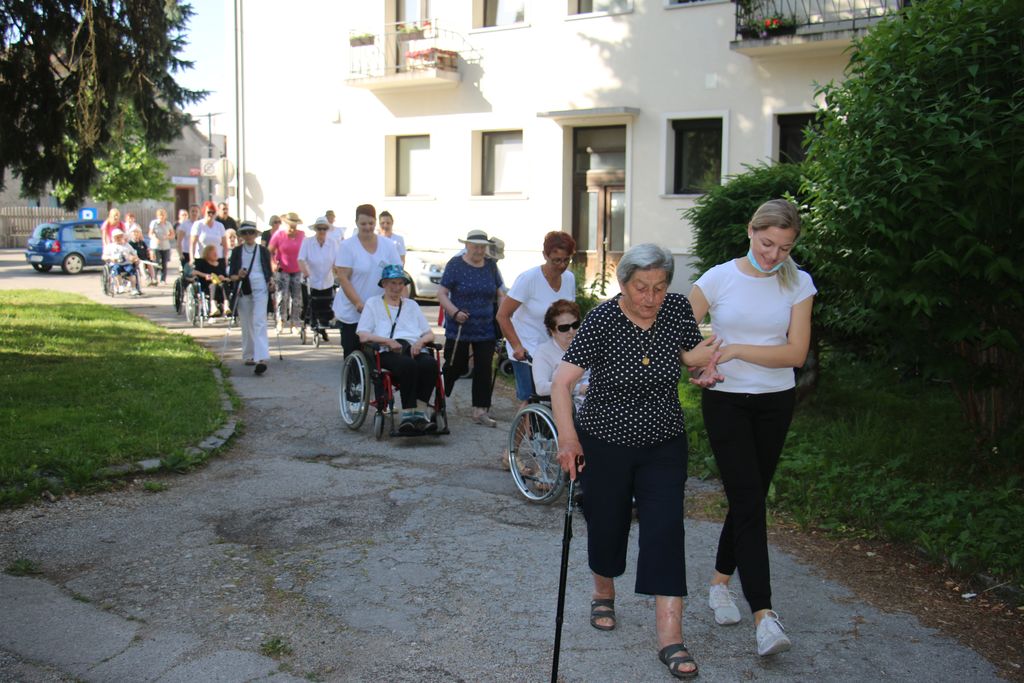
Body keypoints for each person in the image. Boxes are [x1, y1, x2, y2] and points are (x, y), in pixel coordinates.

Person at [551, 243, 722, 681]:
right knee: (607, 522)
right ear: (623, 283)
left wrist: (704, 372)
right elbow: (562, 381)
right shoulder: (602, 320)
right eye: (642, 287)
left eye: (659, 287)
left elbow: (691, 359)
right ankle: (603, 591)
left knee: (666, 530)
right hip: (605, 441)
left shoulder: (677, 310)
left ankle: (670, 637)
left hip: (663, 442)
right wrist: (568, 438)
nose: (651, 297)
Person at [688, 198, 815, 658]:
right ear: (750, 231)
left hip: (775, 402)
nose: (773, 255)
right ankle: (764, 615)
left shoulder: (798, 283)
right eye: (767, 244)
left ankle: (719, 583)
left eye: (784, 248)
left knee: (750, 497)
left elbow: (795, 354)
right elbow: (678, 333)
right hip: (726, 401)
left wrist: (737, 349)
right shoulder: (718, 278)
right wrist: (697, 362)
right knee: (748, 498)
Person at [497, 231, 577, 409]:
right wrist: (517, 346)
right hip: (527, 347)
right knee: (531, 399)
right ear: (545, 255)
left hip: (554, 348)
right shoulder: (529, 279)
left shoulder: (569, 279)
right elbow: (502, 315)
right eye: (556, 260)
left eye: (567, 260)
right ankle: (523, 427)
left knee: (557, 394)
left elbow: (570, 314)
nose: (562, 265)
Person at [357, 264, 438, 434]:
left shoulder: (412, 305)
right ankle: (408, 415)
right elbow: (363, 335)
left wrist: (420, 342)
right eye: (393, 283)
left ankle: (420, 413)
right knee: (408, 365)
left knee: (430, 364)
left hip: (413, 348)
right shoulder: (373, 304)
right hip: (387, 350)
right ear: (384, 284)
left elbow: (430, 334)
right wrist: (387, 341)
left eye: (401, 283)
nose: (397, 287)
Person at [437, 229, 504, 427]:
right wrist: (454, 312)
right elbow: (441, 293)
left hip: (485, 327)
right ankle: (439, 397)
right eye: (475, 246)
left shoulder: (491, 266)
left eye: (482, 247)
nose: (479, 250)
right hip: (460, 326)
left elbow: (500, 293)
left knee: (484, 368)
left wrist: (502, 315)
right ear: (466, 245)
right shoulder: (455, 264)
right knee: (455, 366)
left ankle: (480, 410)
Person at [332, 204, 400, 357]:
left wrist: (402, 303)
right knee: (353, 352)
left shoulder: (388, 245)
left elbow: (397, 276)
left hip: (379, 309)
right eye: (363, 224)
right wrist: (358, 303)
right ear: (356, 223)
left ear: (375, 222)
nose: (367, 227)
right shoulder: (347, 246)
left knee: (380, 356)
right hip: (353, 311)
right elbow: (343, 278)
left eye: (371, 223)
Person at [228, 221, 274, 375]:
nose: (248, 235)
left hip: (261, 287)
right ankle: (249, 354)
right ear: (241, 235)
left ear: (255, 234)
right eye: (245, 232)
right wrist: (238, 274)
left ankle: (261, 357)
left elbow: (269, 271)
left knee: (259, 321)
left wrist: (271, 282)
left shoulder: (263, 250)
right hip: (244, 288)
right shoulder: (237, 251)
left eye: (251, 232)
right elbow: (231, 275)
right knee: (247, 322)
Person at [531, 299, 588, 404]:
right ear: (552, 331)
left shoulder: (585, 345)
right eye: (564, 328)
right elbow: (541, 388)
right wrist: (579, 388)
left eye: (575, 325)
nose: (571, 331)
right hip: (562, 402)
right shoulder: (543, 352)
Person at [298, 216, 339, 342]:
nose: (321, 231)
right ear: (315, 229)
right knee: (310, 304)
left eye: (324, 229)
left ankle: (323, 325)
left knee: (325, 304)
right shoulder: (307, 242)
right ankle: (311, 323)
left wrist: (338, 273)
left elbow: (337, 260)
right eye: (319, 229)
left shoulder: (332, 243)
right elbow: (301, 259)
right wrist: (305, 272)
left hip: (326, 279)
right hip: (310, 280)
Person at [269, 211, 305, 334]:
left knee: (296, 298)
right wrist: (273, 263)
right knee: (282, 296)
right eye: (290, 226)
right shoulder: (279, 235)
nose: (292, 229)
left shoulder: (301, 235)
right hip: (282, 269)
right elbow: (269, 251)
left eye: (294, 226)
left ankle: (294, 323)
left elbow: (305, 251)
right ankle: (280, 321)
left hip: (297, 269)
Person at [102, 228, 141, 296]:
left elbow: (135, 255)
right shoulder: (110, 246)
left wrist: (134, 258)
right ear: (113, 238)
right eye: (117, 237)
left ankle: (133, 288)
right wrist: (111, 258)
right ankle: (120, 287)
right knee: (116, 269)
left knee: (131, 270)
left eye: (120, 236)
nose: (119, 238)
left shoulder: (127, 245)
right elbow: (104, 257)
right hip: (115, 263)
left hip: (127, 263)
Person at [194, 244, 228, 317]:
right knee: (213, 285)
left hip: (221, 284)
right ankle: (213, 307)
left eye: (216, 252)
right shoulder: (202, 263)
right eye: (213, 253)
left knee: (224, 285)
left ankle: (226, 306)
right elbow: (194, 272)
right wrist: (205, 275)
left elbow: (227, 277)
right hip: (207, 285)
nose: (216, 254)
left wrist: (223, 278)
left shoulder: (221, 263)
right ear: (207, 254)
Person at [190, 201, 228, 266]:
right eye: (209, 212)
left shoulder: (220, 226)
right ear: (204, 212)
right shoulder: (198, 225)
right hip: (202, 259)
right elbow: (193, 244)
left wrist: (225, 258)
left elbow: (225, 245)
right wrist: (192, 258)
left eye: (213, 212)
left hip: (217, 259)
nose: (211, 214)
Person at [148, 208, 174, 285]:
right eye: (160, 215)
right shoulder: (154, 223)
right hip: (156, 246)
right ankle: (155, 278)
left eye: (163, 215)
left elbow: (172, 235)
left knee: (164, 263)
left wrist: (168, 237)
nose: (162, 217)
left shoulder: (168, 224)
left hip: (165, 246)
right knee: (156, 263)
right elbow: (150, 233)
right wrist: (154, 238)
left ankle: (163, 279)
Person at [126, 225, 151, 293]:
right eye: (134, 232)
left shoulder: (142, 242)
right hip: (133, 261)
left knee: (150, 264)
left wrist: (150, 254)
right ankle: (145, 277)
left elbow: (147, 250)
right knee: (141, 264)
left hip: (143, 259)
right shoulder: (129, 243)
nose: (136, 234)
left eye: (137, 232)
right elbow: (129, 253)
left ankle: (153, 279)